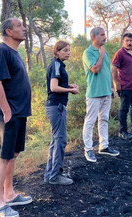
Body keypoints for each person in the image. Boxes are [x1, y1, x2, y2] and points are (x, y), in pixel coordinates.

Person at [0, 18, 32, 217]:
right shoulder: (1, 51)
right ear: (8, 30)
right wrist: (7, 111)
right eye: (19, 26)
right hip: (7, 114)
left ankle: (9, 194)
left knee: (12, 155)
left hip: (18, 112)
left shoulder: (15, 53)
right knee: (3, 156)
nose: (24, 28)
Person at [43, 41, 79, 185]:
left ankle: (49, 174)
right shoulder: (57, 65)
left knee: (55, 141)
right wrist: (70, 90)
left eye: (69, 50)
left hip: (55, 106)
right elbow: (53, 87)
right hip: (57, 106)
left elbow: (58, 84)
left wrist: (69, 85)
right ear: (57, 52)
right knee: (60, 140)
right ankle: (55, 176)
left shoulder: (57, 65)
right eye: (65, 50)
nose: (68, 53)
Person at [82, 27, 119, 163]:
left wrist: (112, 87)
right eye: (102, 35)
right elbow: (95, 69)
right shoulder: (88, 53)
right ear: (94, 37)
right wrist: (101, 54)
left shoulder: (105, 52)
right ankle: (88, 149)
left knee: (104, 119)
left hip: (106, 92)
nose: (105, 37)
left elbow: (107, 71)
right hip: (94, 93)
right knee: (90, 121)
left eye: (105, 34)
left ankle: (104, 146)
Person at [111, 33, 132, 140]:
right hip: (125, 86)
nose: (129, 43)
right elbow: (113, 69)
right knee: (124, 109)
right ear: (123, 41)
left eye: (131, 40)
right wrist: (117, 84)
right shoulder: (119, 53)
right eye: (127, 41)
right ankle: (122, 131)